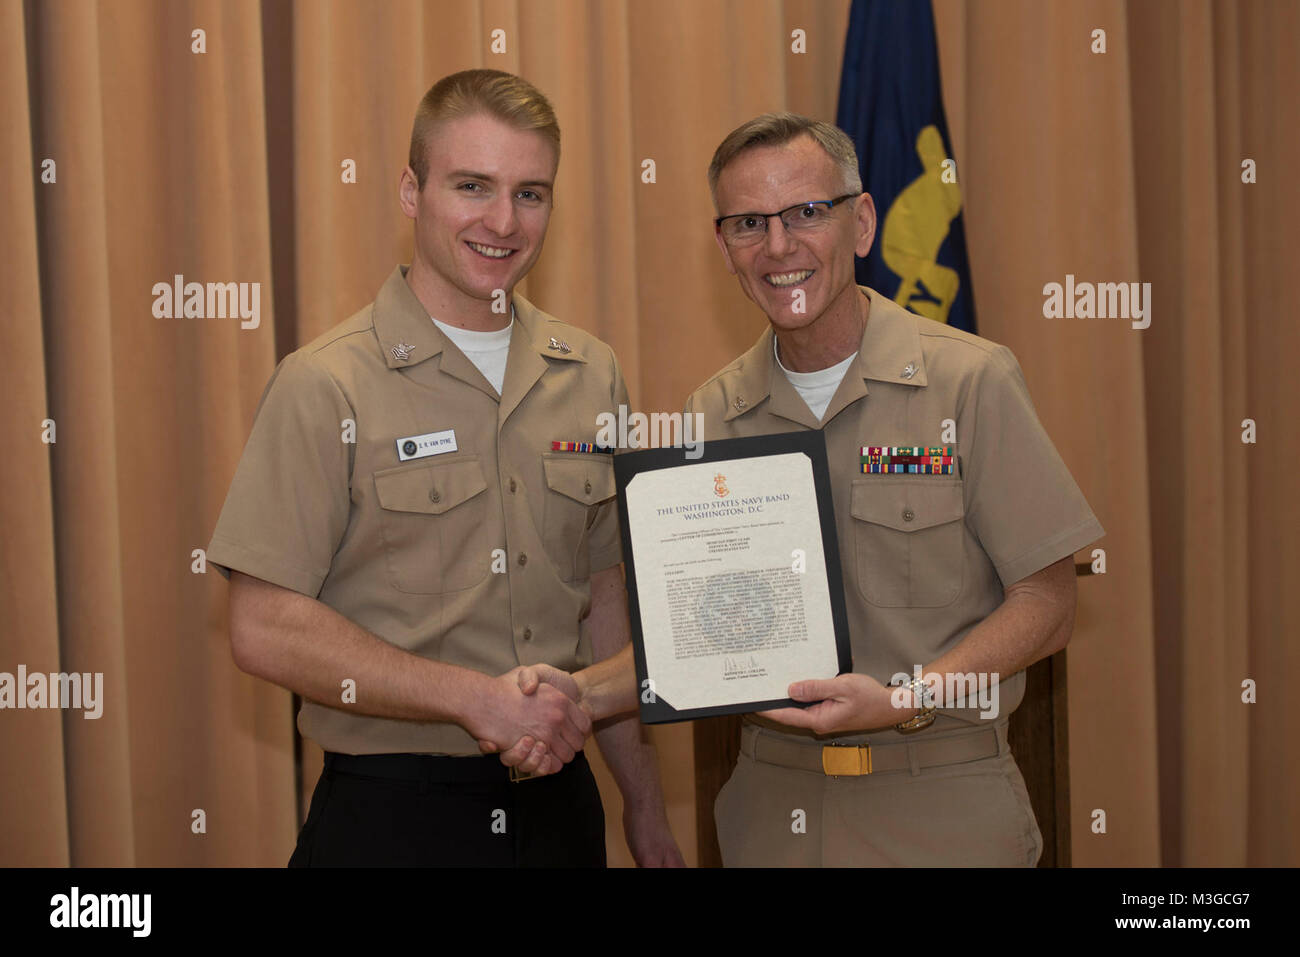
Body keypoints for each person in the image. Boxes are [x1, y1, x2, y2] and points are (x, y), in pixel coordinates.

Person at [207, 69, 681, 867]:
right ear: (410, 191)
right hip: (393, 815)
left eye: (531, 193)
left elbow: (606, 601)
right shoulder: (325, 383)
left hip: (562, 811)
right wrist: (475, 701)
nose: (503, 220)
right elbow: (262, 627)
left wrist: (645, 805)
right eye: (473, 186)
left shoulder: (590, 372)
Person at [684, 113, 1105, 866]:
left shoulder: (969, 381)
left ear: (863, 222)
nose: (779, 247)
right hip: (770, 810)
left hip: (941, 797)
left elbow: (1049, 604)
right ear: (724, 247)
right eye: (750, 223)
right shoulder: (712, 412)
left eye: (808, 212)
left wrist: (905, 696)